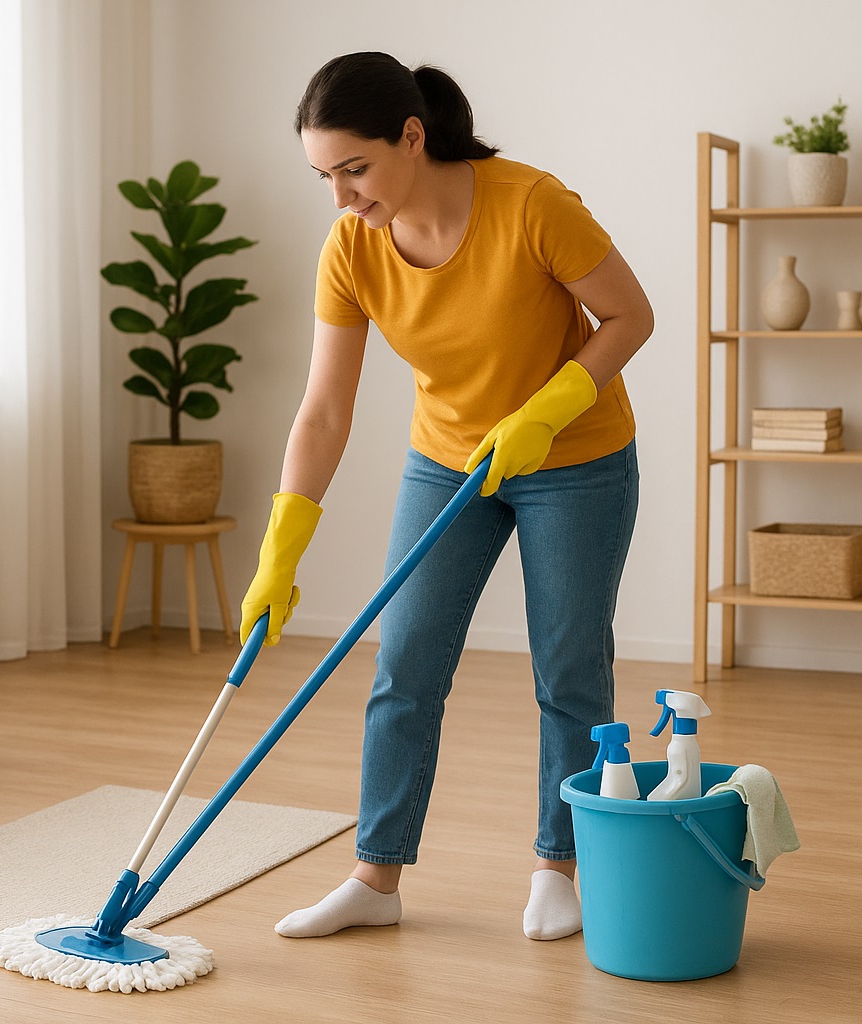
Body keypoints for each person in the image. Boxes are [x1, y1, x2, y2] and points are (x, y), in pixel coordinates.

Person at [240, 51, 653, 942]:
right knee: (406, 666)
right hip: (451, 461)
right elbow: (324, 410)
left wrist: (548, 410)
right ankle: (375, 879)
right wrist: (281, 549)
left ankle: (559, 867)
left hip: (574, 456)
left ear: (413, 137)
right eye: (325, 175)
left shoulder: (531, 203)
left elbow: (630, 315)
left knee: (568, 667)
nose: (342, 196)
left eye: (355, 168)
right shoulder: (351, 247)